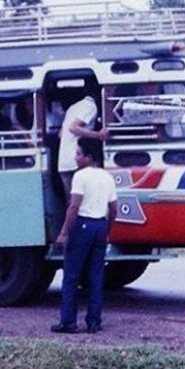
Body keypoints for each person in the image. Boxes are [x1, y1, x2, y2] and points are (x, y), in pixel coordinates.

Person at [52, 137, 117, 334]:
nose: (76, 157)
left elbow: (74, 207)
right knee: (96, 276)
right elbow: (113, 209)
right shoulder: (107, 177)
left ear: (88, 156)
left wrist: (63, 232)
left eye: (79, 153)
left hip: (82, 225)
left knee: (71, 276)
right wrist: (107, 231)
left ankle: (68, 322)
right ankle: (94, 322)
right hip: (100, 225)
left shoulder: (80, 176)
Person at [57, 92, 108, 197]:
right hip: (78, 161)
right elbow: (73, 128)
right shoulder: (90, 106)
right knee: (87, 201)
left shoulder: (72, 108)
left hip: (64, 162)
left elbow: (61, 134)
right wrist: (98, 135)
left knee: (72, 202)